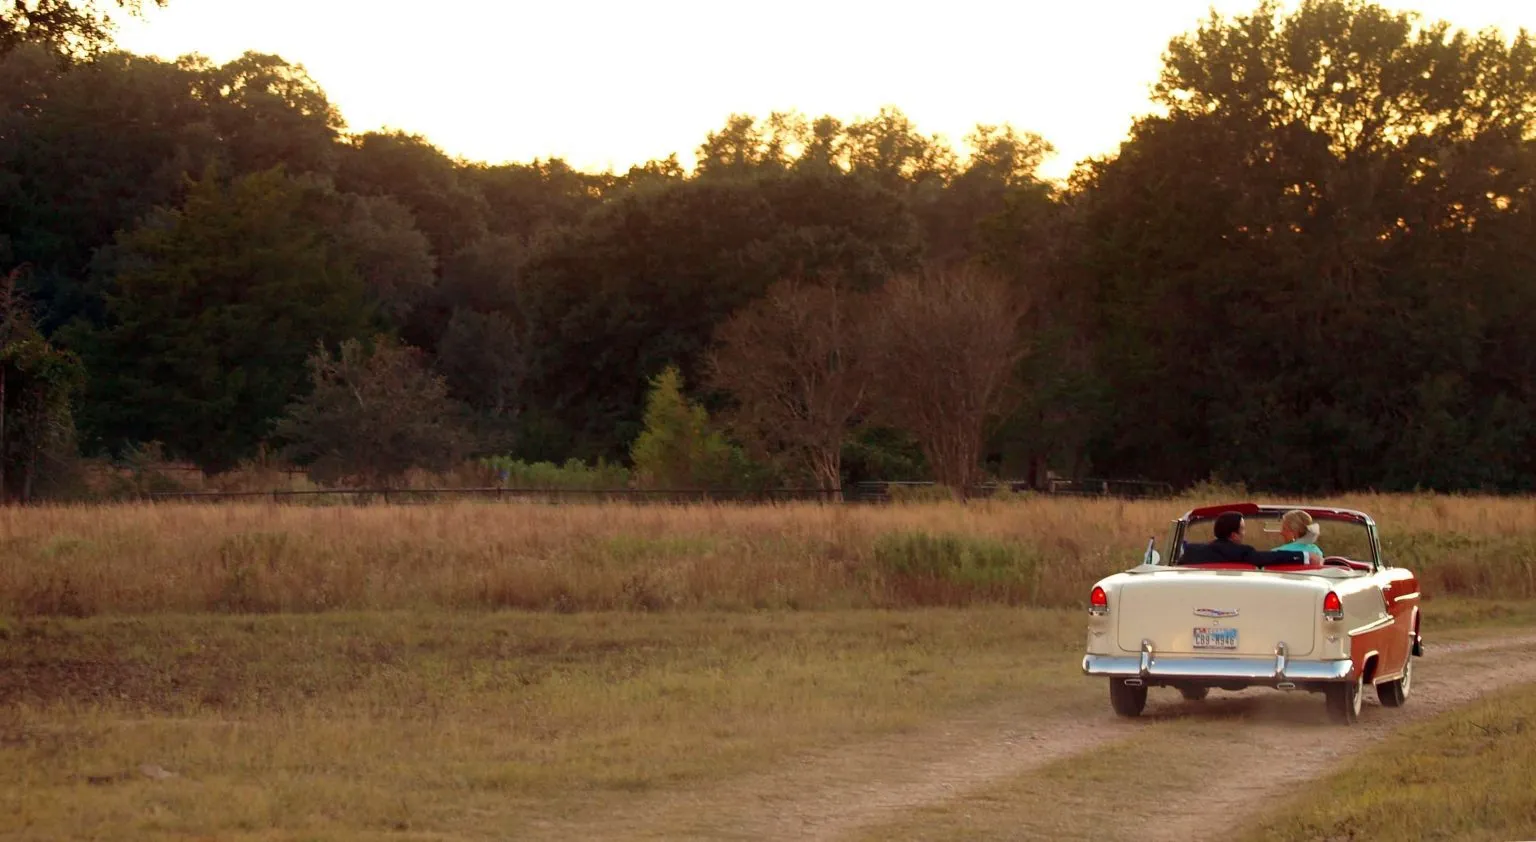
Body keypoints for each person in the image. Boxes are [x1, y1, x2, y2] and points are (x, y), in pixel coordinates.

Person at [1181, 511, 1257, 563]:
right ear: (1234, 535)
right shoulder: (1243, 553)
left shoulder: (1192, 551)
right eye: (1243, 529)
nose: (1244, 533)